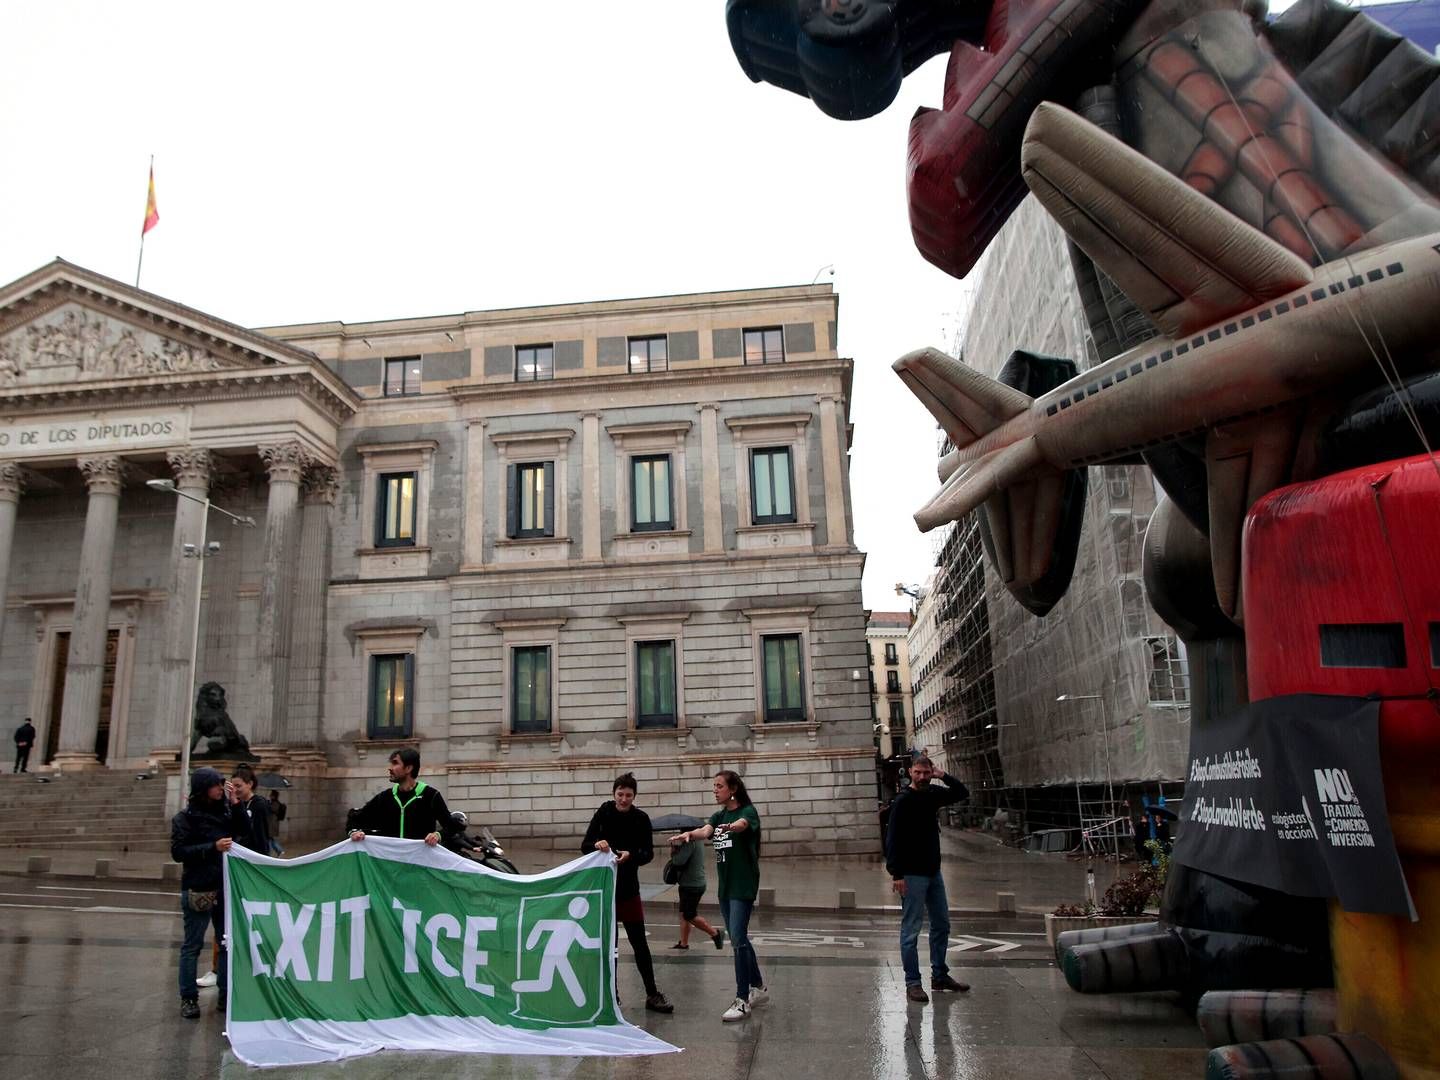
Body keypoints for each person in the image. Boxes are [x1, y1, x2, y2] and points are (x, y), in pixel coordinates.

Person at [671, 770, 767, 1022]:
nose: (715, 790)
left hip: (742, 885)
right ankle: (758, 987)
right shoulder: (719, 814)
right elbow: (707, 830)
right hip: (725, 887)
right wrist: (690, 835)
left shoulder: (746, 812)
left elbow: (744, 824)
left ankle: (742, 999)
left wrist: (735, 826)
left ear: (732, 789)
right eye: (714, 786)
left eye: (719, 786)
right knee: (740, 938)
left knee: (737, 940)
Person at [581, 773, 673, 1013]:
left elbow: (648, 853)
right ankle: (612, 994)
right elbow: (585, 845)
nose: (623, 799)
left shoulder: (640, 819)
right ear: (614, 794)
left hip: (629, 887)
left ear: (634, 796)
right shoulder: (603, 813)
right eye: (620, 794)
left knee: (639, 943)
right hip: (605, 889)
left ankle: (652, 993)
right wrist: (597, 844)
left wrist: (631, 855)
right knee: (608, 945)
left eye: (628, 795)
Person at [885, 754, 971, 1003]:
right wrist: (896, 874)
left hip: (934, 872)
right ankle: (913, 983)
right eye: (918, 772)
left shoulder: (933, 793)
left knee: (942, 924)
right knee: (911, 930)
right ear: (910, 772)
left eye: (926, 772)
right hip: (911, 874)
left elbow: (961, 791)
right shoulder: (902, 801)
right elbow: (893, 839)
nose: (922, 777)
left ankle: (939, 975)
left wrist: (943, 775)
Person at [170, 766, 238, 1019]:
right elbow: (179, 852)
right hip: (198, 886)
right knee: (192, 945)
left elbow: (243, 829)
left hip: (223, 886)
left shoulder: (225, 813)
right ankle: (188, 997)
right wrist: (212, 847)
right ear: (202, 789)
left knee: (225, 943)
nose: (220, 789)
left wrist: (235, 804)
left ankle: (225, 995)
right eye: (215, 785)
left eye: (222, 784)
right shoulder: (184, 819)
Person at [348, 748, 464, 846]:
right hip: (390, 866)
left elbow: (451, 827)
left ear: (408, 768)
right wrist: (353, 832)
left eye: (395, 763)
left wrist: (438, 835)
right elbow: (355, 818)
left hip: (419, 866)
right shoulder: (384, 797)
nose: (390, 768)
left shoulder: (431, 795)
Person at [667, 833, 724, 952]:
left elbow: (678, 861)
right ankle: (683, 943)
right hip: (692, 883)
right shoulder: (698, 841)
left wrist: (674, 851)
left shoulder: (689, 842)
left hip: (691, 885)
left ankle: (715, 933)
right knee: (684, 914)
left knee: (689, 915)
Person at [229, 765, 273, 854]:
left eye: (238, 786)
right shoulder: (233, 803)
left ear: (250, 784)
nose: (235, 790)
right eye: (232, 786)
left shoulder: (259, 804)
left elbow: (261, 834)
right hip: (238, 852)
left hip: (253, 853)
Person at [268, 789, 287, 856]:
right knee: (271, 839)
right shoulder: (273, 802)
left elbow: (273, 809)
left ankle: (270, 853)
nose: (270, 796)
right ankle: (279, 851)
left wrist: (268, 804)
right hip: (271, 824)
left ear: (274, 796)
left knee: (269, 840)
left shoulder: (275, 803)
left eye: (271, 795)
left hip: (272, 825)